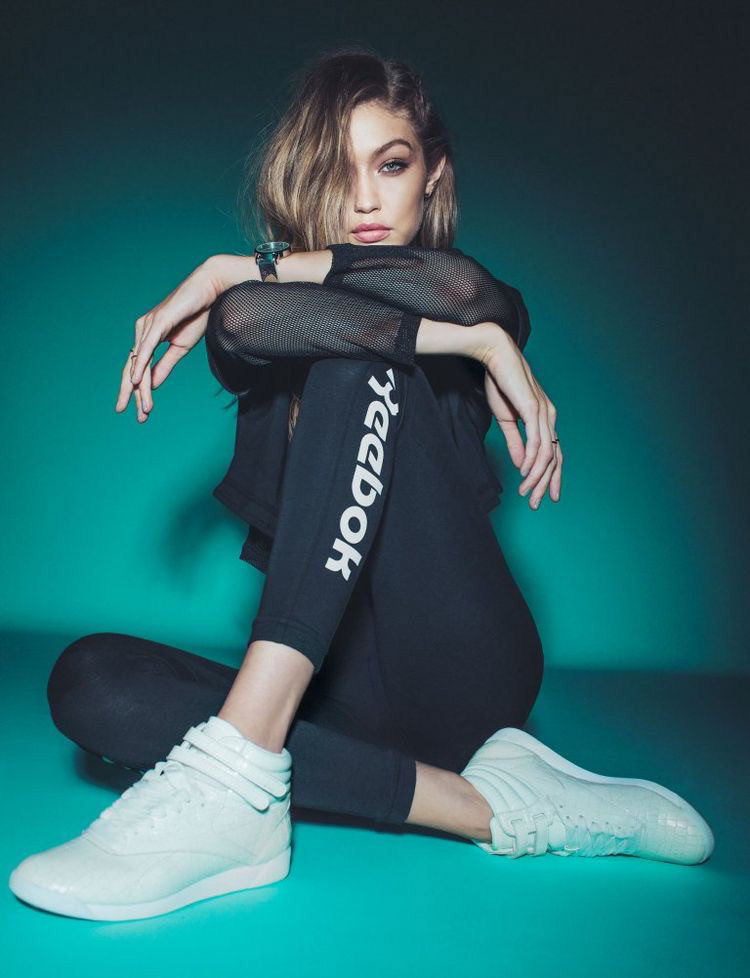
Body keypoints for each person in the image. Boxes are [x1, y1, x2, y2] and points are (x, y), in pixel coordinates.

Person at [8, 47, 714, 922]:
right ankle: (481, 805)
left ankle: (239, 769)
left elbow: (467, 293)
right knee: (92, 681)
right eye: (340, 172)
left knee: (355, 365)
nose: (366, 200)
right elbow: (245, 318)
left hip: (463, 666)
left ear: (432, 173)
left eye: (392, 164)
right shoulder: (282, 313)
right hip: (331, 703)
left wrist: (478, 336)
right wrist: (239, 275)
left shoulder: (473, 302)